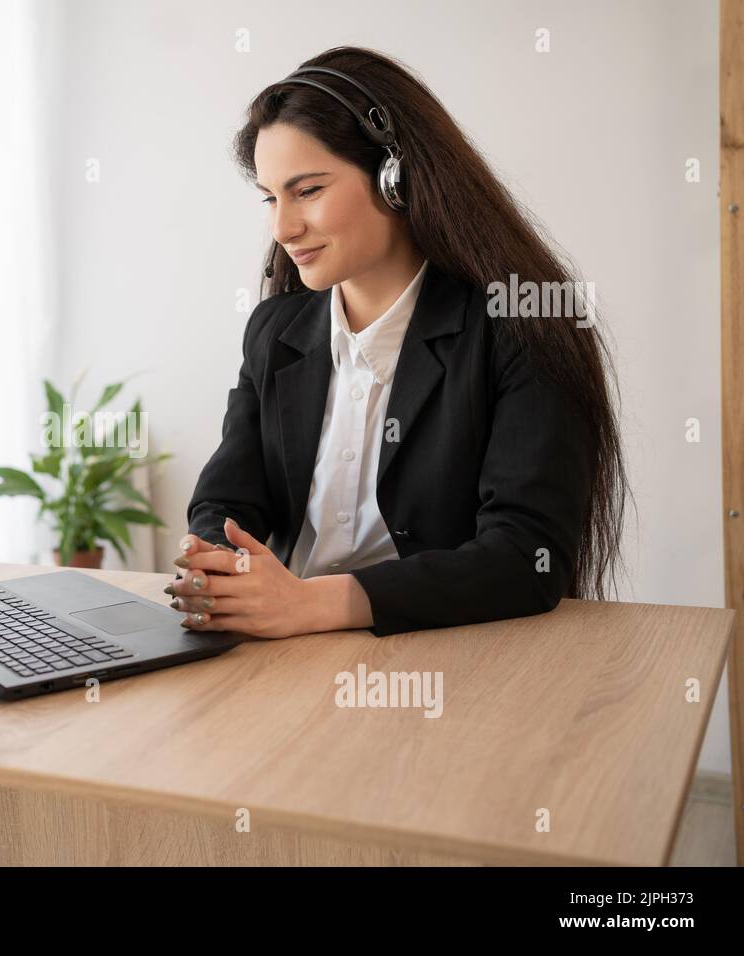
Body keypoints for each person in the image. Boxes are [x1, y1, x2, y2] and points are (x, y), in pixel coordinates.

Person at [168, 46, 631, 639]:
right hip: (283, 660)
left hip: (449, 661)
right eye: (270, 197)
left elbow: (526, 557)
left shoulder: (522, 325)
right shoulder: (274, 331)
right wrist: (215, 559)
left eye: (307, 190)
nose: (281, 228)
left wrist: (315, 604)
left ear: (396, 179)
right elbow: (227, 497)